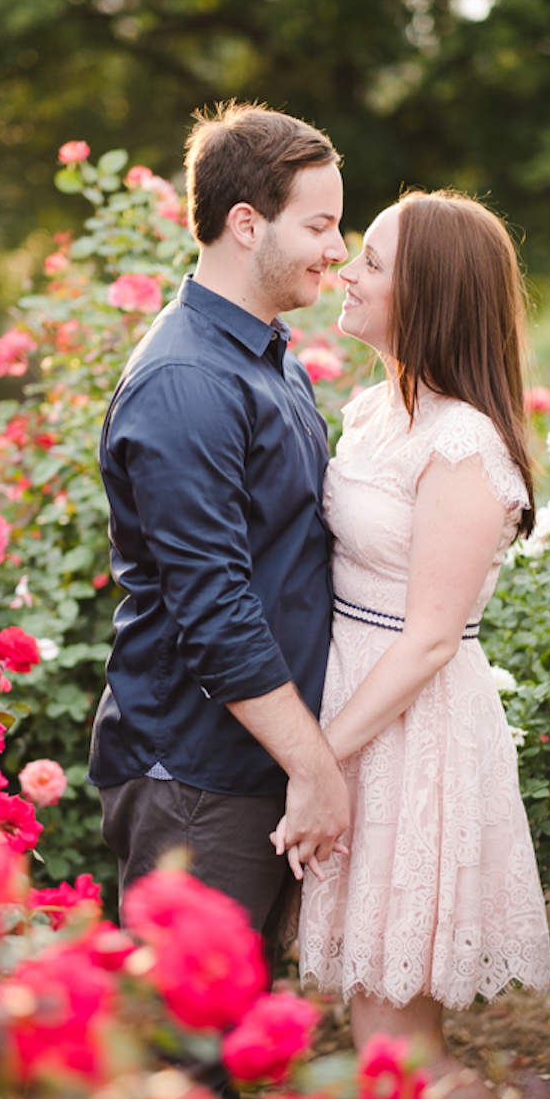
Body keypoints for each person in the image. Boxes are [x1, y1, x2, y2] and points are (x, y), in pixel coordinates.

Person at [272, 190, 550, 1099]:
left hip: (407, 726)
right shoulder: (374, 410)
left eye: (373, 261)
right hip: (355, 698)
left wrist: (318, 757)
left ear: (430, 292)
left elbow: (432, 637)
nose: (347, 274)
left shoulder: (465, 445)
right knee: (370, 1000)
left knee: (394, 1011)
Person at [88, 101, 350, 955]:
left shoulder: (264, 355)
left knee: (226, 1045)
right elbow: (215, 607)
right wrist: (316, 768)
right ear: (247, 224)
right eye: (320, 225)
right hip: (195, 771)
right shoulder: (187, 381)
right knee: (184, 1061)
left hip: (247, 760)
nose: (337, 250)